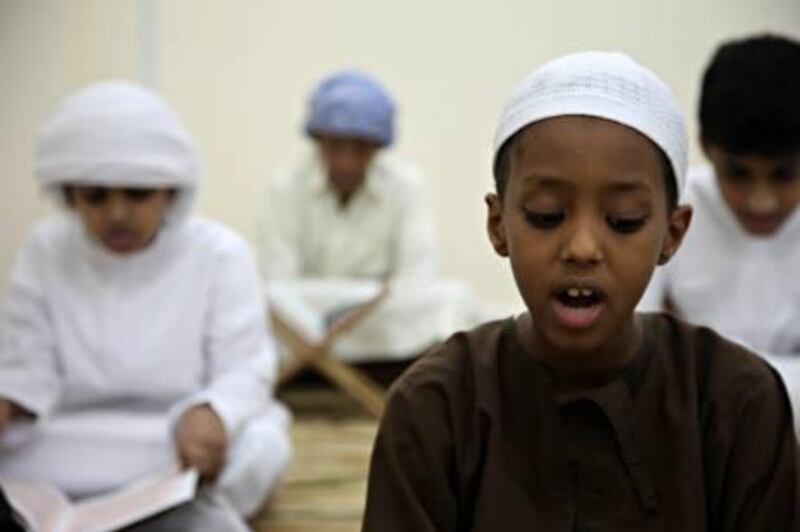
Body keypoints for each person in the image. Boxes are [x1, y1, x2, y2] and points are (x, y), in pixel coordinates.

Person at [363, 52, 798, 531]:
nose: (583, 248)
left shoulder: (736, 403)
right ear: (498, 225)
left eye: (623, 221)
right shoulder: (435, 408)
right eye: (547, 215)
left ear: (672, 234)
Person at [0, 82, 290, 529]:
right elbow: (26, 368)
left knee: (263, 445)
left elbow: (246, 367)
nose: (116, 214)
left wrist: (213, 411)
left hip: (174, 442)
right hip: (67, 441)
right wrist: (10, 402)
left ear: (170, 193)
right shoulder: (46, 250)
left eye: (136, 194)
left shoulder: (219, 254)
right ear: (69, 195)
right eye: (95, 196)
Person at [260, 70, 481, 363]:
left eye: (360, 147)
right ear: (318, 140)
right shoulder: (285, 187)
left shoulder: (407, 186)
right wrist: (334, 303)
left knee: (454, 298)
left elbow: (417, 276)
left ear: (378, 146)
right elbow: (279, 278)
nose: (346, 162)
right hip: (303, 318)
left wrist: (359, 305)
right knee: (259, 299)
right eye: (336, 145)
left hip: (381, 322)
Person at [639, 34, 800, 428]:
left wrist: (701, 368)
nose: (761, 200)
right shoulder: (669, 211)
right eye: (738, 174)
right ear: (706, 148)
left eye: (784, 174)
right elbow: (637, 363)